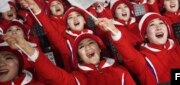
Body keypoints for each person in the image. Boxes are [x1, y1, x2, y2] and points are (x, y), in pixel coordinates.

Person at [95, 12, 180, 84]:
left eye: (161, 23)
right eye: (152, 25)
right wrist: (114, 31)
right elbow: (129, 55)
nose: (158, 27)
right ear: (145, 35)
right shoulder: (143, 58)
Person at [2, 31, 136, 85]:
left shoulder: (121, 73)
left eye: (91, 43)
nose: (88, 48)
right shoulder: (77, 79)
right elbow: (53, 75)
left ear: (100, 49)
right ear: (78, 56)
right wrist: (26, 47)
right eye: (81, 46)